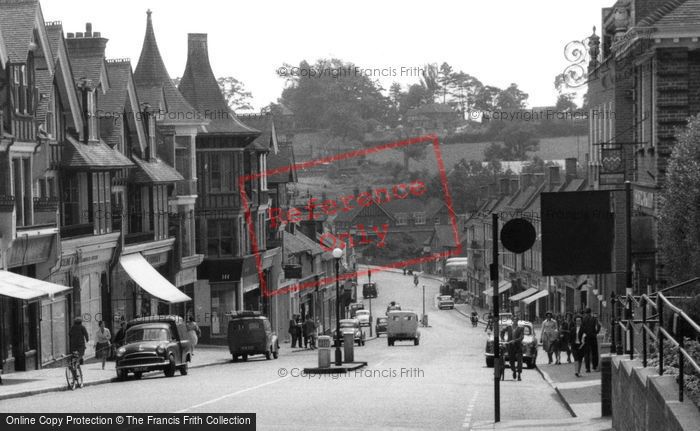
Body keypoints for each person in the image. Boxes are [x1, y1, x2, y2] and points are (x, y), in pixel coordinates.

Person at [500, 316, 525, 381]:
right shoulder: (509, 327)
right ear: (512, 321)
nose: (515, 321)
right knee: (511, 361)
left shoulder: (520, 328)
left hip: (518, 347)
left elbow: (521, 337)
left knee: (519, 361)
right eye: (514, 320)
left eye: (516, 320)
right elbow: (502, 331)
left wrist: (515, 341)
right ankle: (514, 371)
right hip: (510, 347)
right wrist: (503, 339)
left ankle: (519, 374)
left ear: (518, 321)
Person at [582, 308, 601, 372]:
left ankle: (587, 368)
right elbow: (598, 326)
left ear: (585, 313)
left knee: (586, 353)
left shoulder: (583, 319)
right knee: (594, 352)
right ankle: (594, 366)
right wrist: (596, 332)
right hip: (593, 336)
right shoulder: (594, 318)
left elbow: (582, 328)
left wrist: (584, 333)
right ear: (590, 312)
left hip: (586, 337)